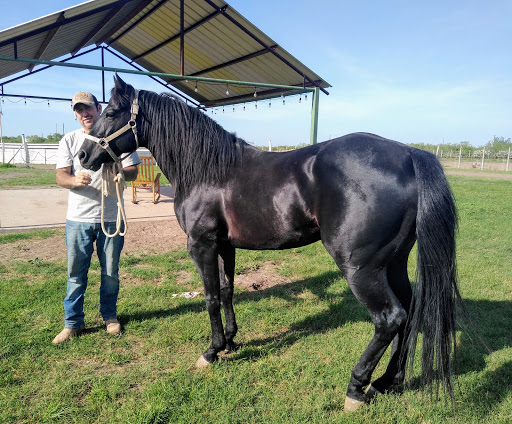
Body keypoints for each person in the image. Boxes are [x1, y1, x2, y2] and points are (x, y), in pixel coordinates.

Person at [52, 91, 140, 344]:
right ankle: (72, 323)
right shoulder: (69, 140)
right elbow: (60, 176)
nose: (84, 114)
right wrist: (73, 180)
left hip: (111, 217)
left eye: (88, 108)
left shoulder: (117, 133)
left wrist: (122, 173)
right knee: (75, 273)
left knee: (110, 272)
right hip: (78, 218)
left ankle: (109, 317)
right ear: (76, 114)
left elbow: (133, 170)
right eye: (79, 110)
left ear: (98, 107)